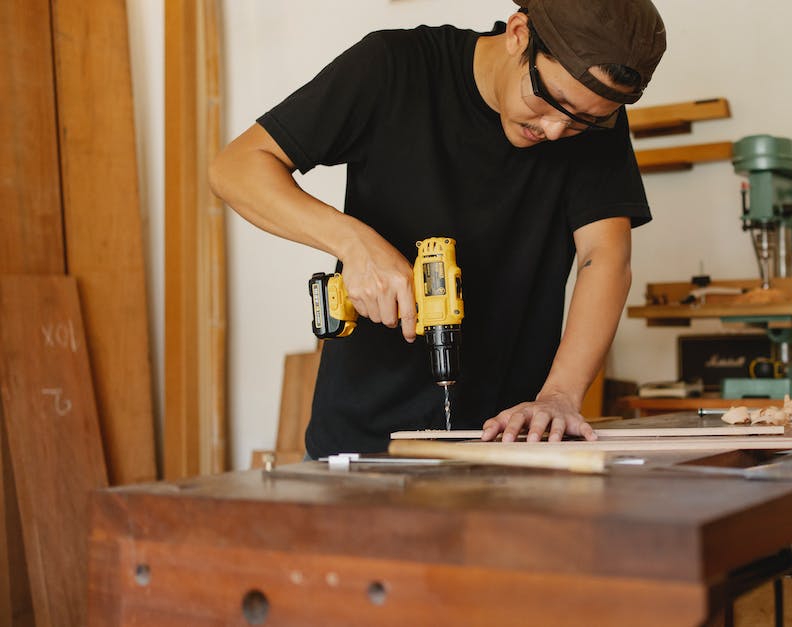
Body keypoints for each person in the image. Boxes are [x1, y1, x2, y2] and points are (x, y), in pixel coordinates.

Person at [210, 0, 667, 457]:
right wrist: (355, 243)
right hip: (364, 444)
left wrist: (561, 395)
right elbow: (237, 167)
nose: (554, 129)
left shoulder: (594, 116)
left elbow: (603, 256)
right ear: (518, 35)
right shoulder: (394, 66)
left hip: (506, 440)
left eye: (582, 122)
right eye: (551, 101)